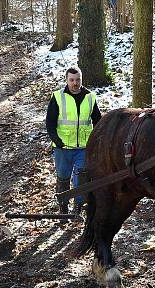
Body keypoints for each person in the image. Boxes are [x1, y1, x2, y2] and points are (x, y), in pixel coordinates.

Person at [45, 67, 102, 214]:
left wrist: (95, 142)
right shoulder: (58, 97)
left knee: (81, 180)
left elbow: (98, 121)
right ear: (67, 80)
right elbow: (50, 122)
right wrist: (57, 141)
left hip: (83, 148)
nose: (75, 83)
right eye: (71, 80)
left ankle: (78, 207)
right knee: (63, 179)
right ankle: (63, 207)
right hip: (62, 148)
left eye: (78, 80)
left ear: (81, 80)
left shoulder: (90, 97)